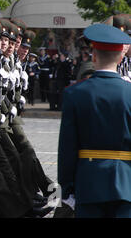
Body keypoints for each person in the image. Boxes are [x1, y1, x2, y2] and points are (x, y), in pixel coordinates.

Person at [58, 23, 131, 218]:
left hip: (88, 183)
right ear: (121, 57)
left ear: (94, 55)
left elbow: (67, 147)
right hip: (126, 184)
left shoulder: (74, 93)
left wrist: (67, 189)